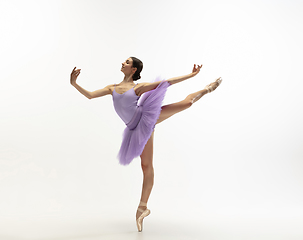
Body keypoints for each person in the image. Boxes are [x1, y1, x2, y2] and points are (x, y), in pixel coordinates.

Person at [70, 57, 222, 232]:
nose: (122, 63)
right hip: (135, 129)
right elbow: (89, 95)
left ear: (133, 69)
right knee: (146, 165)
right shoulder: (110, 88)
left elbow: (167, 82)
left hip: (145, 117)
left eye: (127, 62)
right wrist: (74, 84)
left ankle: (207, 89)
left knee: (187, 103)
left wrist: (192, 74)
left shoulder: (138, 88)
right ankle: (142, 209)